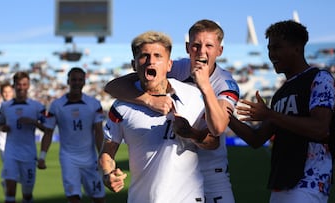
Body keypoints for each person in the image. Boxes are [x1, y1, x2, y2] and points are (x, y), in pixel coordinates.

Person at [104, 19, 239, 203]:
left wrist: (205, 86)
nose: (201, 51)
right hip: (176, 174)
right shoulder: (174, 66)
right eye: (196, 45)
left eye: (209, 45)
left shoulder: (224, 83)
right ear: (187, 47)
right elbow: (114, 86)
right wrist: (150, 100)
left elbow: (218, 128)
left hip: (211, 169)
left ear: (219, 50)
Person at [228, 20, 335, 203]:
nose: (271, 55)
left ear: (297, 48)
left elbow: (320, 128)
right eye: (269, 49)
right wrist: (224, 114)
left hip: (309, 182)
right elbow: (256, 139)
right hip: (282, 183)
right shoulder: (280, 93)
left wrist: (269, 114)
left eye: (277, 47)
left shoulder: (319, 78)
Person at [99, 31, 207, 203]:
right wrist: (108, 174)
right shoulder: (121, 107)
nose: (151, 61)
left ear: (169, 64)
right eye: (144, 56)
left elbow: (213, 142)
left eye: (158, 56)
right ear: (134, 65)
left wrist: (191, 133)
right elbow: (107, 153)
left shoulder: (193, 96)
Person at [37, 67, 106, 203]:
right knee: (73, 197)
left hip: (89, 158)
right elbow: (49, 132)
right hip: (68, 158)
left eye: (80, 80)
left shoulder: (94, 104)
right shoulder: (57, 105)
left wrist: (102, 156)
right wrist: (42, 156)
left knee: (99, 198)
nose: (76, 83)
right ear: (68, 81)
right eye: (73, 79)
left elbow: (98, 132)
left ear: (84, 82)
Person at [0, 71, 46, 203]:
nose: (21, 87)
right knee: (10, 191)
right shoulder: (5, 106)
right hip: (11, 153)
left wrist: (33, 122)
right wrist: (3, 128)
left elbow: (47, 129)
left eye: (24, 84)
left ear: (28, 85)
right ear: (14, 86)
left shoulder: (37, 106)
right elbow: (0, 122)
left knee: (27, 194)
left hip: (29, 154)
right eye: (19, 84)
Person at [0, 82, 14, 193]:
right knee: (8, 164)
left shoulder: (18, 105)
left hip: (17, 141)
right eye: (5, 92)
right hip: (3, 140)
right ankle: (8, 188)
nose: (7, 94)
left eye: (9, 91)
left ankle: (6, 182)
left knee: (16, 168)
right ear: (1, 93)